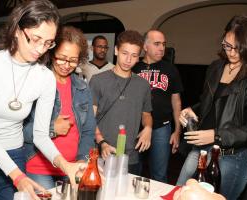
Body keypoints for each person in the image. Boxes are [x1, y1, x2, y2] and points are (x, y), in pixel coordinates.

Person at [0, 1, 84, 199]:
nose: (41, 49)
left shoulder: (45, 77)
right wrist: (16, 176)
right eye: (35, 39)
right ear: (17, 30)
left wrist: (65, 165)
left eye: (48, 42)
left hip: (15, 153)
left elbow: (41, 135)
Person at [177, 14, 247, 200]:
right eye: (227, 45)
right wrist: (193, 110)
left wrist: (216, 135)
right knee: (179, 192)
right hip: (201, 147)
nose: (231, 52)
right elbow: (209, 103)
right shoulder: (216, 67)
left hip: (232, 155)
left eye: (238, 48)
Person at [23, 26, 96, 189]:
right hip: (38, 168)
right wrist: (51, 128)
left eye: (73, 60)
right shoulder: (35, 83)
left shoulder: (83, 88)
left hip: (72, 167)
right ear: (51, 54)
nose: (66, 65)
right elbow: (19, 130)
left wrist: (81, 161)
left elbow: (88, 131)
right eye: (62, 58)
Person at [90, 30, 153, 175]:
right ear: (117, 50)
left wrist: (148, 127)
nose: (128, 59)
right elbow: (89, 118)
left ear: (139, 57)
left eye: (134, 55)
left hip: (130, 156)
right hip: (102, 151)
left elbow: (146, 113)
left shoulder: (143, 85)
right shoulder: (98, 80)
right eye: (125, 53)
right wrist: (102, 142)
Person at [132, 30, 183, 183]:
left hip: (162, 127)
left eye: (163, 44)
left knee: (159, 176)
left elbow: (177, 102)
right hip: (135, 128)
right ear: (145, 46)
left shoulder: (170, 69)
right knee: (133, 172)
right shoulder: (133, 67)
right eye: (157, 44)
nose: (162, 48)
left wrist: (177, 131)